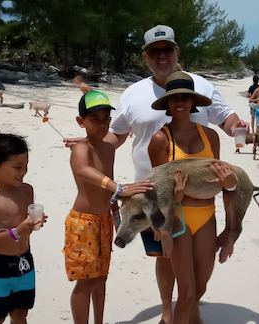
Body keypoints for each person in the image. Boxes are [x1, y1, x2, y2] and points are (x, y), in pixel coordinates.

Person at [64, 24, 246, 323]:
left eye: (167, 49)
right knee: (164, 256)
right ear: (145, 56)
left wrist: (238, 126)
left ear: (177, 51)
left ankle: (186, 307)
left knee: (194, 274)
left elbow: (226, 119)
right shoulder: (135, 93)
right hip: (152, 195)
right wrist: (89, 142)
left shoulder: (201, 86)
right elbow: (116, 134)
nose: (162, 56)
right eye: (154, 51)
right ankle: (167, 309)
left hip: (199, 199)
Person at [148, 71, 239, 324]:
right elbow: (156, 191)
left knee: (199, 290)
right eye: (174, 98)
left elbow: (222, 185)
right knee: (187, 292)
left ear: (193, 101)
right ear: (166, 102)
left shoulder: (211, 137)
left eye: (185, 98)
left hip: (207, 217)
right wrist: (163, 231)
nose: (180, 103)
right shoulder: (159, 140)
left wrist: (230, 228)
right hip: (178, 218)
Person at [64, 90, 153, 324]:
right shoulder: (80, 149)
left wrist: (116, 211)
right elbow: (84, 170)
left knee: (101, 277)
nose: (102, 125)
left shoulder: (108, 145)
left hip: (104, 219)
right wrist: (118, 187)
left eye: (106, 119)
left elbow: (120, 137)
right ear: (80, 121)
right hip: (83, 222)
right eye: (95, 120)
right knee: (86, 282)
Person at [0, 133, 46, 323]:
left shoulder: (27, 190)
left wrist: (33, 224)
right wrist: (17, 231)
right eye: (17, 167)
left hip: (24, 261)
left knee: (20, 314)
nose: (23, 172)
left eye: (26, 165)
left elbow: (26, 226)